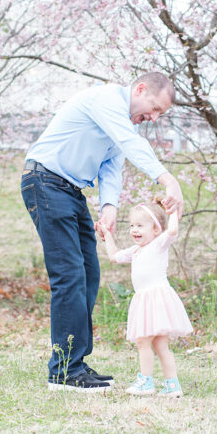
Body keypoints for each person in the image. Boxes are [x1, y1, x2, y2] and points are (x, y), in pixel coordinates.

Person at [21, 72, 184, 393]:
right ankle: (64, 372)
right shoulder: (107, 100)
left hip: (70, 190)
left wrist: (109, 206)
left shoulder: (121, 122)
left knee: (89, 273)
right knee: (69, 275)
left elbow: (111, 165)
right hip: (45, 181)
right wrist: (168, 180)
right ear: (139, 89)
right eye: (153, 108)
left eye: (158, 115)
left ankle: (75, 363)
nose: (151, 118)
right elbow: (129, 143)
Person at [102, 199, 192, 397]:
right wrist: (107, 235)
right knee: (159, 344)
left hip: (156, 298)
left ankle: (146, 381)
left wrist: (173, 210)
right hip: (146, 300)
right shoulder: (135, 251)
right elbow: (114, 256)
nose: (134, 229)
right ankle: (172, 385)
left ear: (156, 229)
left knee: (143, 341)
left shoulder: (158, 244)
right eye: (132, 225)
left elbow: (173, 231)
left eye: (140, 226)